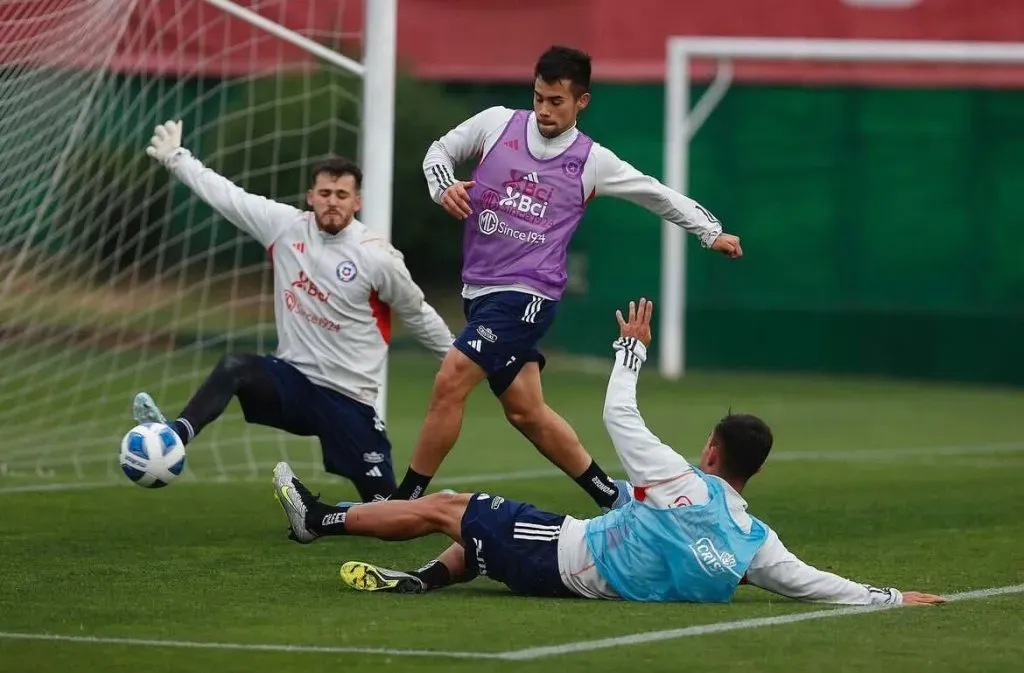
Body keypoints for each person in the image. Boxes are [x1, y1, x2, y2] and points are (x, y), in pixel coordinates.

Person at [271, 297, 945, 607]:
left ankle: (320, 519)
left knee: (453, 504)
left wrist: (631, 348)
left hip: (567, 556)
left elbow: (617, 409)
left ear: (711, 449)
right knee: (484, 530)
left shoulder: (680, 477)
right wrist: (890, 595)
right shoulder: (755, 540)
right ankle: (426, 579)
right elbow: (811, 581)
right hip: (578, 554)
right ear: (754, 471)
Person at [390, 45, 743, 510]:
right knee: (526, 412)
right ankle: (610, 496)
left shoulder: (592, 161)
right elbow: (439, 151)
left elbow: (654, 193)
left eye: (556, 101)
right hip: (480, 290)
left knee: (451, 378)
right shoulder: (497, 123)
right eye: (539, 97)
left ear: (582, 101)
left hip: (528, 294)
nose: (544, 110)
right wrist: (444, 186)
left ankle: (401, 500)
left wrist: (709, 232)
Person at [137, 120, 454, 503]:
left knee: (387, 509)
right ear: (310, 196)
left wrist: (459, 359)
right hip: (293, 384)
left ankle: (420, 507)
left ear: (357, 202)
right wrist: (176, 158)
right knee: (236, 366)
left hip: (348, 398)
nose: (332, 201)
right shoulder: (284, 228)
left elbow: (417, 312)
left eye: (341, 194)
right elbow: (227, 196)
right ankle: (176, 436)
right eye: (325, 193)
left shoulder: (377, 257)